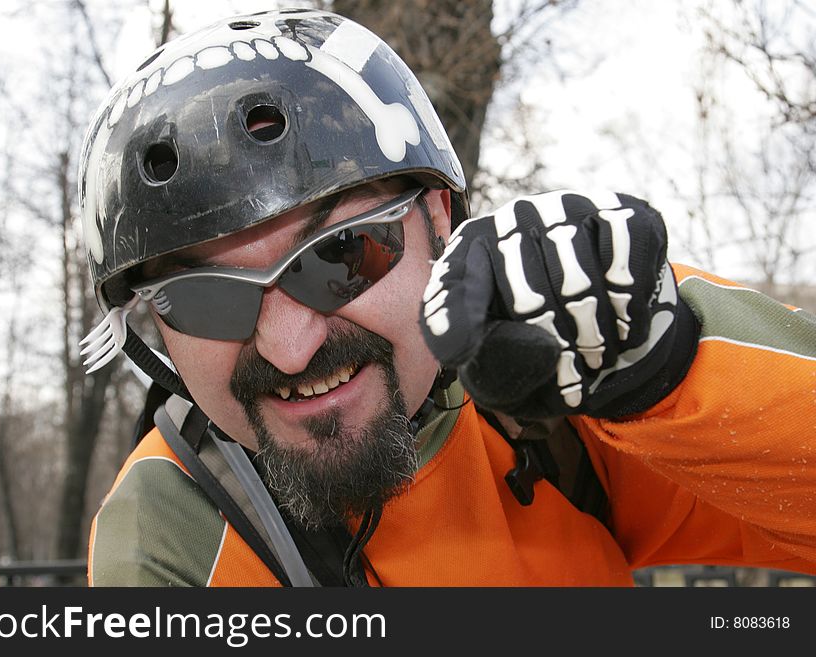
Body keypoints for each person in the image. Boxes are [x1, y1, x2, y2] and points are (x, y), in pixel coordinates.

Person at [79, 9, 816, 586]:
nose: (290, 344)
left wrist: (671, 371)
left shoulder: (555, 393)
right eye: (205, 299)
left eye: (342, 253)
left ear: (438, 221)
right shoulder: (173, 534)